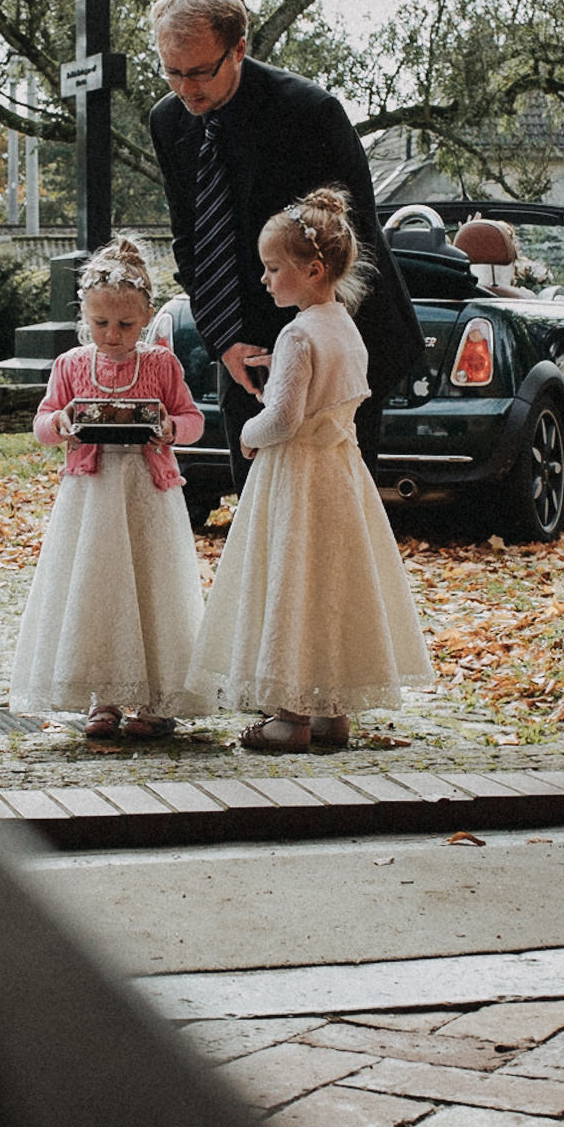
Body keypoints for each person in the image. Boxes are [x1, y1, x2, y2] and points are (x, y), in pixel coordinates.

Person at [187, 191, 434, 754]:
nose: (266, 280)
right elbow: (334, 387)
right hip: (341, 474)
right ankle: (333, 713)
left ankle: (289, 714)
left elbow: (284, 418)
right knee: (331, 583)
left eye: (275, 269)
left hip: (297, 477)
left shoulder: (296, 333)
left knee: (290, 580)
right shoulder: (342, 324)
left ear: (313, 270)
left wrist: (248, 436)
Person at [144, 0, 420, 478]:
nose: (186, 88)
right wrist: (224, 339)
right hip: (242, 347)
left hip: (335, 342)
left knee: (330, 517)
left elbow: (350, 240)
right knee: (258, 511)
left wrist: (303, 349)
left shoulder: (310, 113)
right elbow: (191, 241)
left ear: (239, 50)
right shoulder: (168, 122)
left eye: (200, 71)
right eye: (172, 72)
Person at [4, 235, 208, 739]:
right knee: (96, 585)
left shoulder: (161, 363)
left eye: (126, 324)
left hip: (146, 493)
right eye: (100, 324)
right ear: (84, 316)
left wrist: (168, 427)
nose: (112, 335)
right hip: (91, 495)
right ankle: (104, 695)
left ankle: (159, 699)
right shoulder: (71, 365)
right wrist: (64, 422)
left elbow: (192, 418)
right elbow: (43, 420)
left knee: (149, 583)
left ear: (147, 318)